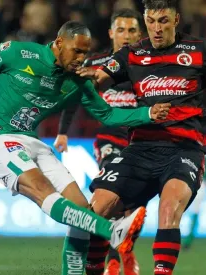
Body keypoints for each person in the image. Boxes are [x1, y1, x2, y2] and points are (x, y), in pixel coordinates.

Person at [0, 21, 170, 275]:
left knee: (80, 209)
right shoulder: (16, 52)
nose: (81, 58)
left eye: (85, 53)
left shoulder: (76, 82)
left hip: (33, 142)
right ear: (59, 43)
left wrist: (149, 113)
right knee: (41, 188)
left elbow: (108, 115)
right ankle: (112, 232)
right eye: (76, 51)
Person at [75, 0, 206, 274]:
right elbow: (96, 81)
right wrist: (78, 79)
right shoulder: (131, 54)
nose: (156, 29)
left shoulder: (198, 50)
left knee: (169, 210)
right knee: (96, 211)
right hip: (140, 149)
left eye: (163, 21)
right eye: (151, 22)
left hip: (184, 149)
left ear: (176, 20)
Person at [54, 9, 144, 275]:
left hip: (141, 144)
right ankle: (114, 262)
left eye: (131, 31)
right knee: (112, 196)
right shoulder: (95, 63)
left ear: (139, 34)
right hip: (110, 139)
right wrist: (62, 131)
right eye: (121, 30)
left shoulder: (148, 63)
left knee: (133, 208)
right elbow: (73, 96)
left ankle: (120, 256)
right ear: (111, 33)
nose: (126, 36)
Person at [182, 126, 206, 249]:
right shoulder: (186, 128)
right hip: (184, 174)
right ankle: (172, 235)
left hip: (200, 177)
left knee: (195, 208)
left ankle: (189, 238)